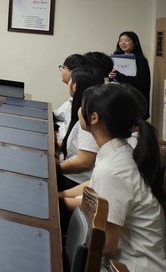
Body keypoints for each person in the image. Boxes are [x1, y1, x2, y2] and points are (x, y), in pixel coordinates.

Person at [59, 83, 165, 271]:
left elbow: (107, 245)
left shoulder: (113, 170)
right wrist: (59, 197)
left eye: (83, 106)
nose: (80, 110)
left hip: (131, 265)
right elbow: (93, 187)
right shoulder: (119, 153)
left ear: (94, 117)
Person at [57, 66, 103, 190]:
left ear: (74, 86)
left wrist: (55, 167)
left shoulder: (88, 117)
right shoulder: (82, 109)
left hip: (75, 180)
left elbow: (84, 162)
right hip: (71, 173)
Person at [109, 31, 151, 118]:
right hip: (119, 97)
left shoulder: (141, 60)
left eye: (126, 40)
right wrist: (111, 76)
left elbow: (140, 82)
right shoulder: (116, 57)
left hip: (134, 99)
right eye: (120, 40)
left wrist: (118, 75)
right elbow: (114, 78)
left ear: (135, 42)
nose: (122, 43)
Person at [54, 53, 89, 144]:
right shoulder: (75, 99)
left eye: (63, 67)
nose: (61, 70)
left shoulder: (82, 107)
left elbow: (70, 144)